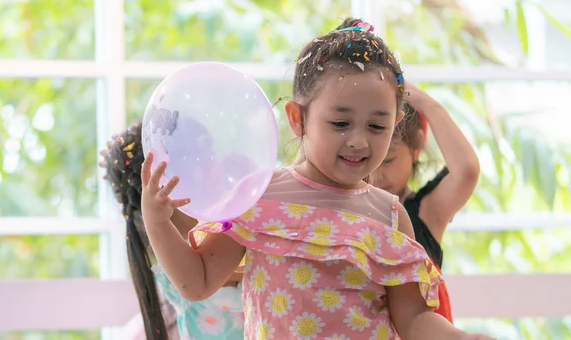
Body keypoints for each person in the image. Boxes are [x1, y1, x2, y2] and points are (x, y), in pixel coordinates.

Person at [140, 18, 494, 340]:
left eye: (377, 126)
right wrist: (157, 222)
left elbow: (413, 320)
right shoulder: (260, 197)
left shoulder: (390, 215)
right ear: (298, 119)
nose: (359, 140)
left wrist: (462, 338)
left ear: (396, 123)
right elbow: (198, 281)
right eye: (340, 124)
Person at [104, 122, 244, 339]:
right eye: (205, 152)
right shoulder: (218, 240)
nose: (216, 161)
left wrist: (120, 167)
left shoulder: (166, 251)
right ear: (169, 179)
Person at [372, 84, 481, 322]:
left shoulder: (427, 210)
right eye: (369, 158)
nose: (376, 174)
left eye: (388, 160)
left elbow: (467, 170)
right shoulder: (344, 205)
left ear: (417, 148)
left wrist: (427, 104)